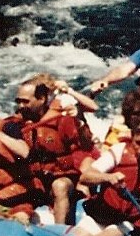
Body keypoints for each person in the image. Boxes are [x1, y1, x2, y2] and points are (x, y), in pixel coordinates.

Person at [70, 119, 140, 236]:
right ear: (132, 137)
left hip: (131, 222)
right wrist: (108, 177)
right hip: (103, 213)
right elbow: (85, 177)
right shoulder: (119, 150)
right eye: (138, 142)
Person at [13, 78, 96, 224]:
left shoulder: (62, 118)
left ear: (41, 99)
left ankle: (59, 230)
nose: (20, 106)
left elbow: (85, 147)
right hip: (37, 180)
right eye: (18, 101)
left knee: (59, 186)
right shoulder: (17, 122)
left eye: (25, 101)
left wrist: (79, 122)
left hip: (63, 176)